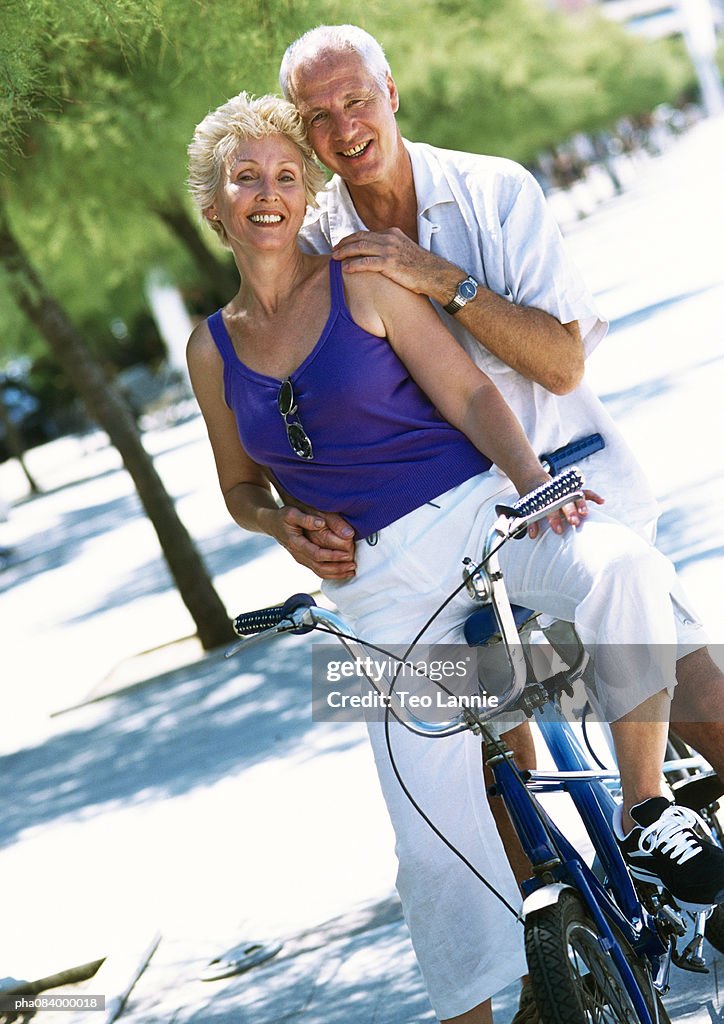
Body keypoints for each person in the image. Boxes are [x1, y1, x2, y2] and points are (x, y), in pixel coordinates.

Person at [186, 91, 724, 1024]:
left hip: (484, 520)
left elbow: (473, 395)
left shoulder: (364, 280)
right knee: (431, 845)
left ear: (307, 187)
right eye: (246, 178)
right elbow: (239, 487)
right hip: (378, 589)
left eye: (284, 174)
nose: (268, 193)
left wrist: (535, 483)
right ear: (214, 205)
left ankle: (646, 814)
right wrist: (278, 526)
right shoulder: (208, 349)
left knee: (624, 572)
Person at [276, 22, 724, 864]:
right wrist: (282, 513)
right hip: (445, 528)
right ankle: (564, 954)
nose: (344, 128)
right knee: (484, 743)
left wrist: (438, 278)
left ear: (392, 93)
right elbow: (301, 401)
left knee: (699, 693)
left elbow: (559, 364)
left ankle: (652, 817)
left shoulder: (494, 192)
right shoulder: (311, 247)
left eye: (356, 100)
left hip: (570, 488)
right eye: (319, 115)